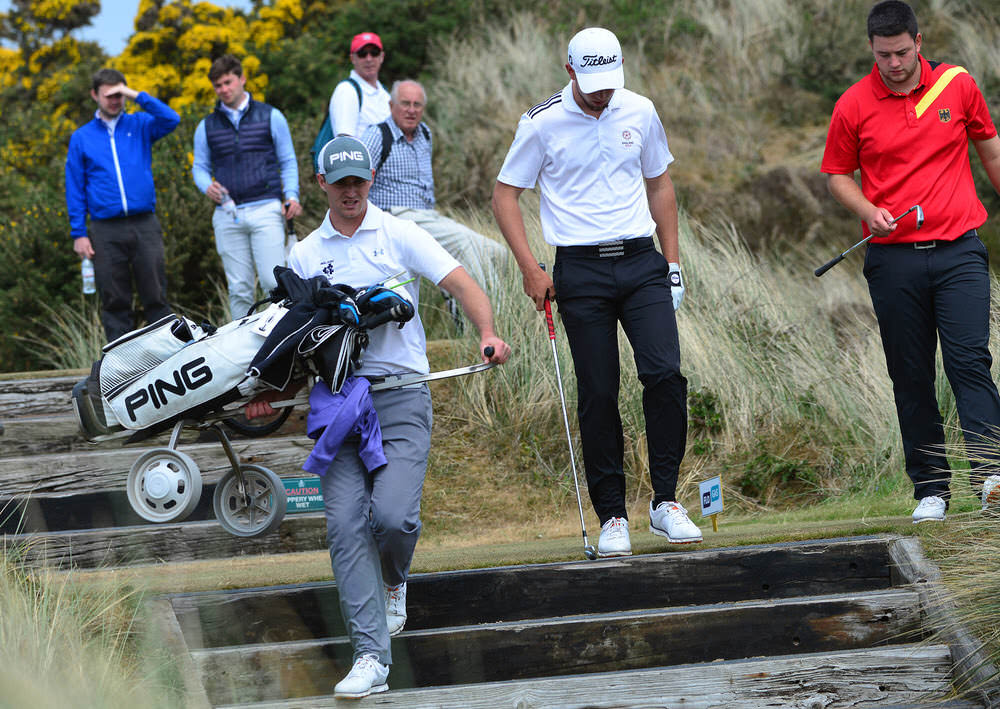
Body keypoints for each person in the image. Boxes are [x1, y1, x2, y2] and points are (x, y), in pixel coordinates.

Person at [247, 136, 510, 699]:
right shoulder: (303, 255)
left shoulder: (399, 233)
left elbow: (461, 284)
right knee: (345, 529)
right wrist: (271, 392)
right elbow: (294, 341)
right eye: (339, 182)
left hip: (403, 395)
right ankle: (371, 657)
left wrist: (487, 332)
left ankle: (395, 580)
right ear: (321, 184)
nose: (350, 191)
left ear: (371, 181)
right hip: (337, 403)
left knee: (391, 520)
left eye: (358, 181)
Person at [492, 27, 701, 557]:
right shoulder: (540, 124)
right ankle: (612, 514)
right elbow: (504, 196)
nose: (603, 93)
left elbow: (660, 183)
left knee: (665, 374)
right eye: (592, 84)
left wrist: (672, 262)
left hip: (641, 262)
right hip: (579, 272)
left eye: (610, 81)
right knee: (600, 392)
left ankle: (665, 503)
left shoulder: (639, 109)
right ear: (569, 72)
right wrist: (529, 268)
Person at [822, 0, 1000, 522]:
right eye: (883, 55)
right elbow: (836, 175)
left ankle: (992, 477)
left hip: (959, 251)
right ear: (871, 50)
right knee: (911, 374)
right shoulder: (853, 104)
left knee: (969, 362)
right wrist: (867, 209)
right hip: (893, 260)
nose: (894, 64)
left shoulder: (957, 86)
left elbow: (988, 148)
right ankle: (931, 490)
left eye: (901, 52)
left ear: (919, 43)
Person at [361, 79, 507, 297]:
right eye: (405, 103)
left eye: (417, 105)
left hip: (428, 216)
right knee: (465, 245)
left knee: (498, 252)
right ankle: (490, 314)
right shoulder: (377, 135)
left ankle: (468, 313)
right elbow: (358, 180)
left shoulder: (425, 134)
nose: (411, 110)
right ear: (391, 106)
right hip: (396, 217)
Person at [65, 68, 179, 342]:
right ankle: (122, 365)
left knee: (155, 294)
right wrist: (79, 233)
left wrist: (136, 95)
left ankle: (167, 355)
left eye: (119, 94)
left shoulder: (140, 124)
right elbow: (75, 186)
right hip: (105, 230)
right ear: (95, 95)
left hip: (144, 223)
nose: (115, 100)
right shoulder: (82, 137)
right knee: (115, 300)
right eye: (109, 95)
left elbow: (171, 119)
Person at [192, 54, 302, 320]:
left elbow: (287, 160)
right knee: (239, 289)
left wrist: (292, 195)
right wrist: (206, 186)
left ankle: (281, 340)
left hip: (266, 208)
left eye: (228, 82)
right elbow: (200, 167)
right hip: (228, 214)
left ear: (242, 79)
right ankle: (241, 350)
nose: (224, 90)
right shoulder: (206, 126)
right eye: (218, 85)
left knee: (273, 282)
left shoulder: (271, 116)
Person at [328, 32, 391, 139]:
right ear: (352, 58)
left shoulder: (385, 93)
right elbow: (345, 143)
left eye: (374, 53)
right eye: (362, 53)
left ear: (382, 57)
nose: (369, 59)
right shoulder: (346, 91)